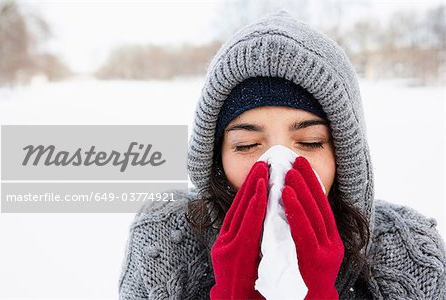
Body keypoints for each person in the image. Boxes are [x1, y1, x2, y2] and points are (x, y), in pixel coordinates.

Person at [118, 9, 446, 299]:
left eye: (311, 142)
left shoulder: (406, 248)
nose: (279, 166)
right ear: (215, 158)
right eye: (246, 146)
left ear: (345, 156)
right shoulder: (163, 241)